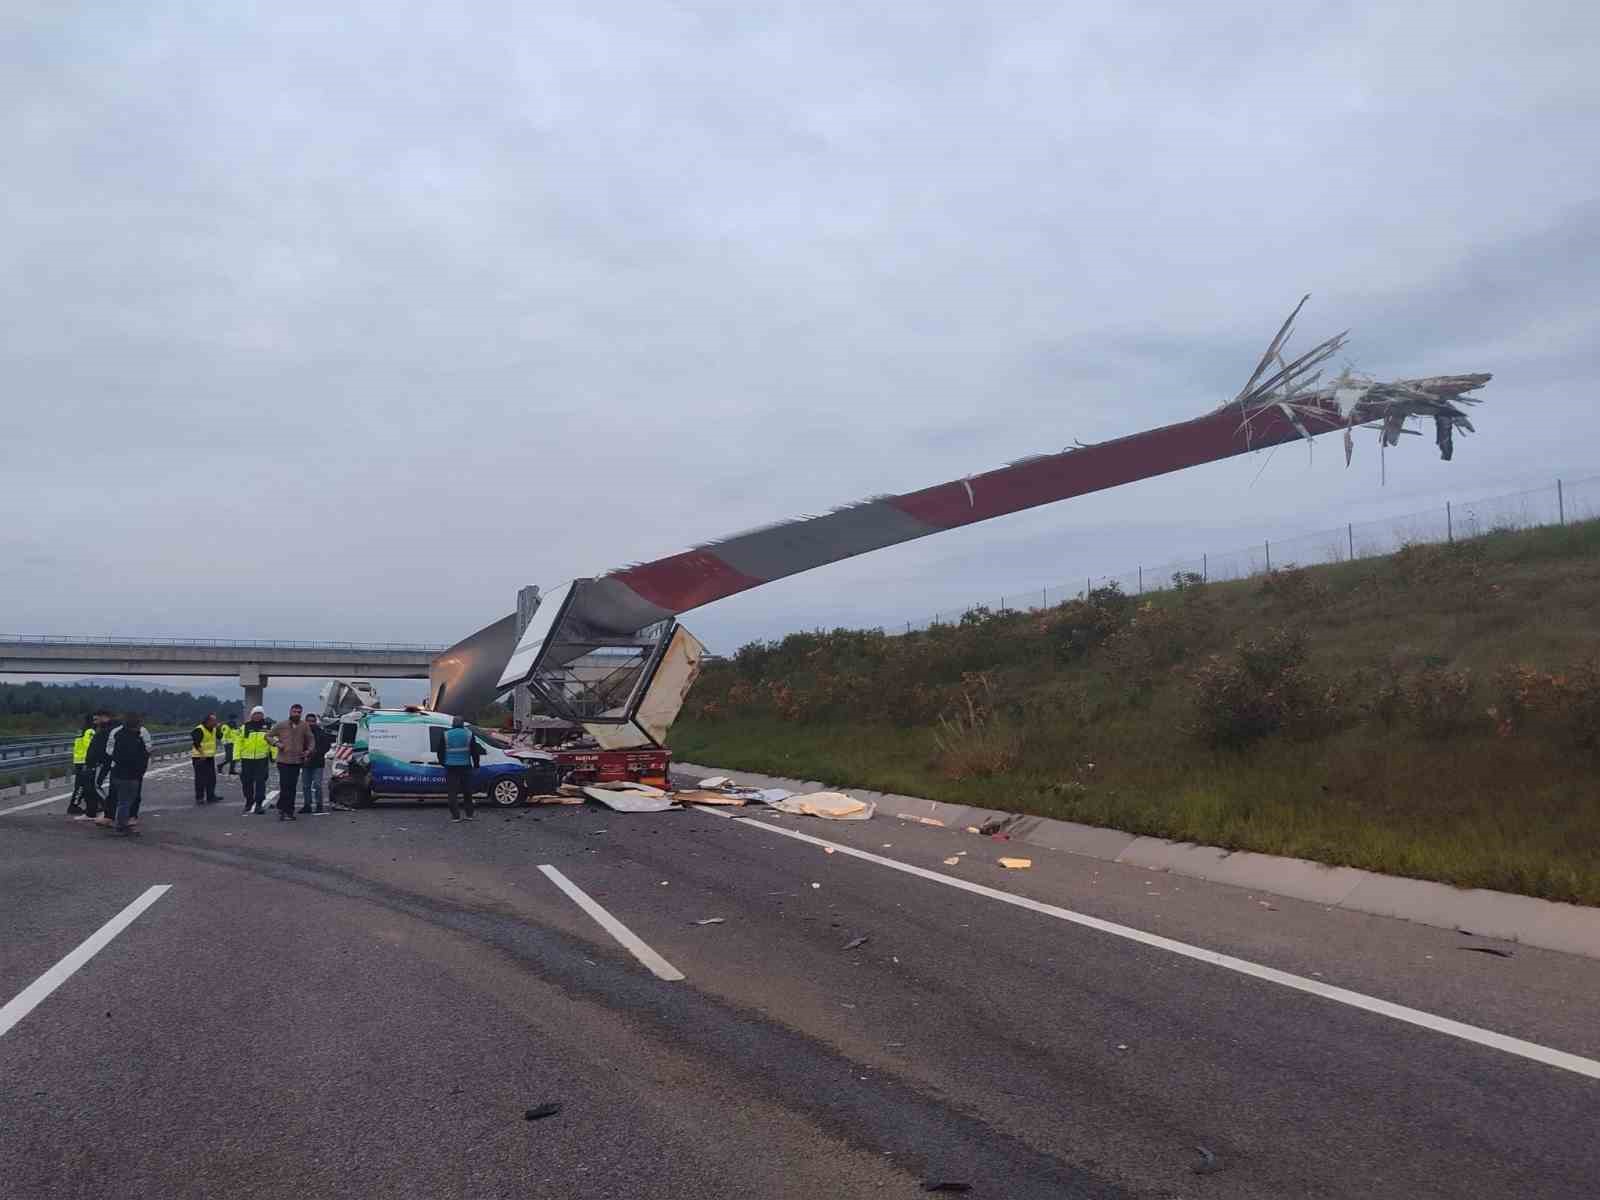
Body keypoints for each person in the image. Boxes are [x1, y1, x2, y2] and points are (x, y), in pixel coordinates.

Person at [105, 712, 152, 835]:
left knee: (124, 800)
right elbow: (143, 754)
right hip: (129, 774)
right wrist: (139, 769)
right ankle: (121, 826)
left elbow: (113, 753)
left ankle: (122, 823)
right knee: (125, 801)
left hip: (119, 772)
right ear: (137, 724)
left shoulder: (119, 735)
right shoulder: (134, 738)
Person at [267, 703, 315, 821]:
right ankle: (283, 810)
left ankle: (289, 811)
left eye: (299, 712)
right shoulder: (282, 725)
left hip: (296, 761)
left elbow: (311, 739)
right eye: (294, 712)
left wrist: (308, 751)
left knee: (292, 787)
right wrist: (276, 743)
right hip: (283, 760)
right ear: (290, 712)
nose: (296, 714)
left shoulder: (304, 726)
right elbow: (268, 736)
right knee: (285, 785)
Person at [436, 715, 481, 823]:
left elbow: (440, 752)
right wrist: (476, 765)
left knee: (452, 793)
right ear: (462, 724)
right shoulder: (469, 734)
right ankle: (469, 815)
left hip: (451, 767)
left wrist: (444, 763)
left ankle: (455, 816)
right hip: (465, 766)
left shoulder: (446, 734)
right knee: (467, 791)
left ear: (453, 723)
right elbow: (475, 752)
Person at [237, 706, 272, 814]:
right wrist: (236, 756)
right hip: (246, 759)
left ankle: (258, 804)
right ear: (251, 715)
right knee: (246, 782)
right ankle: (249, 801)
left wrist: (274, 756)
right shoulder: (245, 727)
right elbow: (238, 742)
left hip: (262, 758)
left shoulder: (267, 727)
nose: (258, 715)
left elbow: (273, 741)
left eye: (260, 714)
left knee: (260, 781)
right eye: (255, 713)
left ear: (263, 715)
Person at [299, 713, 333, 814]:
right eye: (308, 721)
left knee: (317, 785)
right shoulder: (302, 733)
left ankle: (319, 805)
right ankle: (307, 805)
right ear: (305, 721)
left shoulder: (321, 732)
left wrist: (316, 753)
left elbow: (326, 746)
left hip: (318, 763)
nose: (310, 723)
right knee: (306, 785)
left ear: (315, 722)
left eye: (312, 721)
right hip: (305, 763)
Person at [85, 712, 115, 825]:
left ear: (104, 717)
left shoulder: (105, 731)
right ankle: (105, 810)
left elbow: (100, 748)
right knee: (96, 786)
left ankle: (109, 810)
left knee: (97, 785)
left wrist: (96, 761)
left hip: (101, 763)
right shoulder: (103, 730)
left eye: (96, 719)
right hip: (100, 762)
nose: (94, 722)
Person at [68, 713, 96, 817]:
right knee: (82, 785)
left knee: (82, 784)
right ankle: (74, 806)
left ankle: (79, 805)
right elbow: (90, 745)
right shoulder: (90, 731)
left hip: (78, 760)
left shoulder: (81, 730)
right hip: (85, 761)